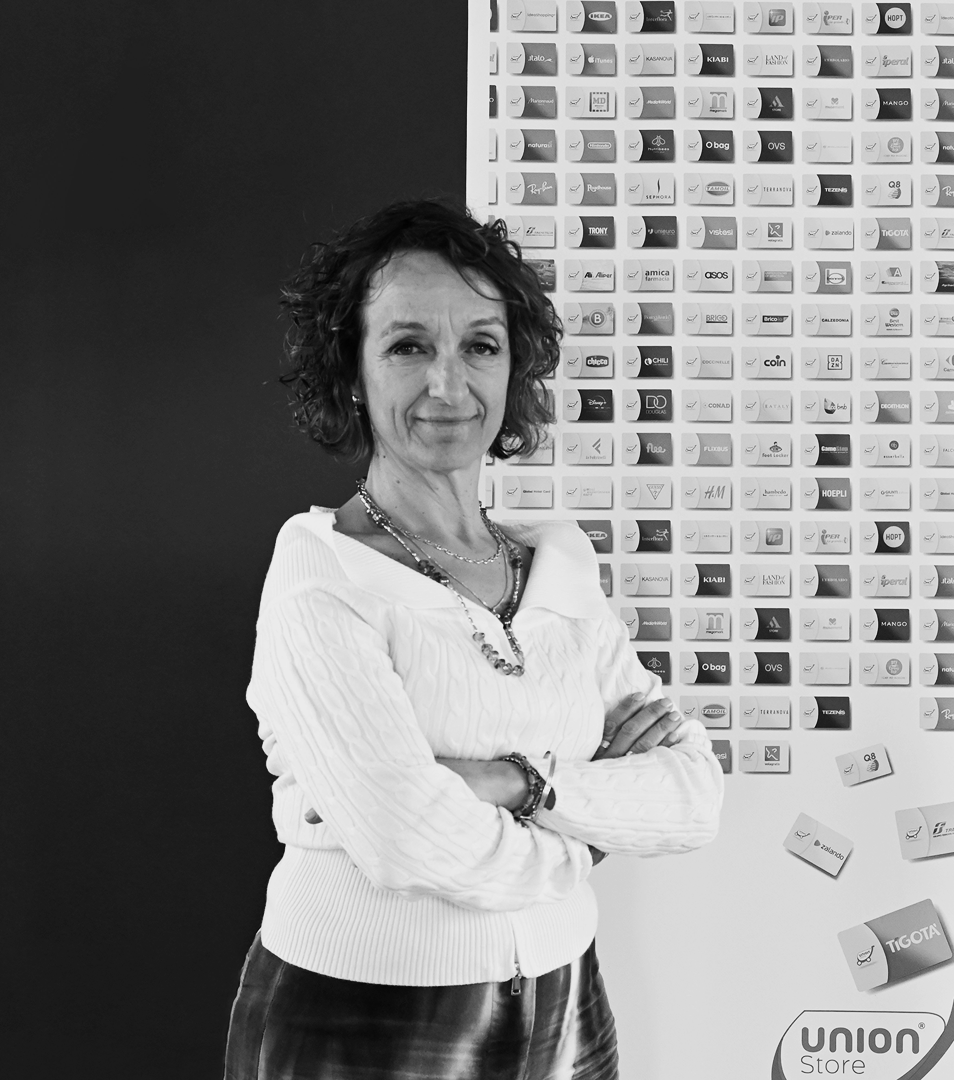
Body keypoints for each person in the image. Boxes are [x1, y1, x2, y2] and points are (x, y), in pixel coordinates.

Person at [225, 198, 724, 1079]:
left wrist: (514, 783)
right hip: (362, 1016)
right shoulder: (322, 573)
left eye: (480, 346)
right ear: (351, 371)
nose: (448, 385)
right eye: (408, 346)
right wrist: (587, 833)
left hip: (567, 1002)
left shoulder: (558, 564)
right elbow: (406, 838)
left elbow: (692, 795)